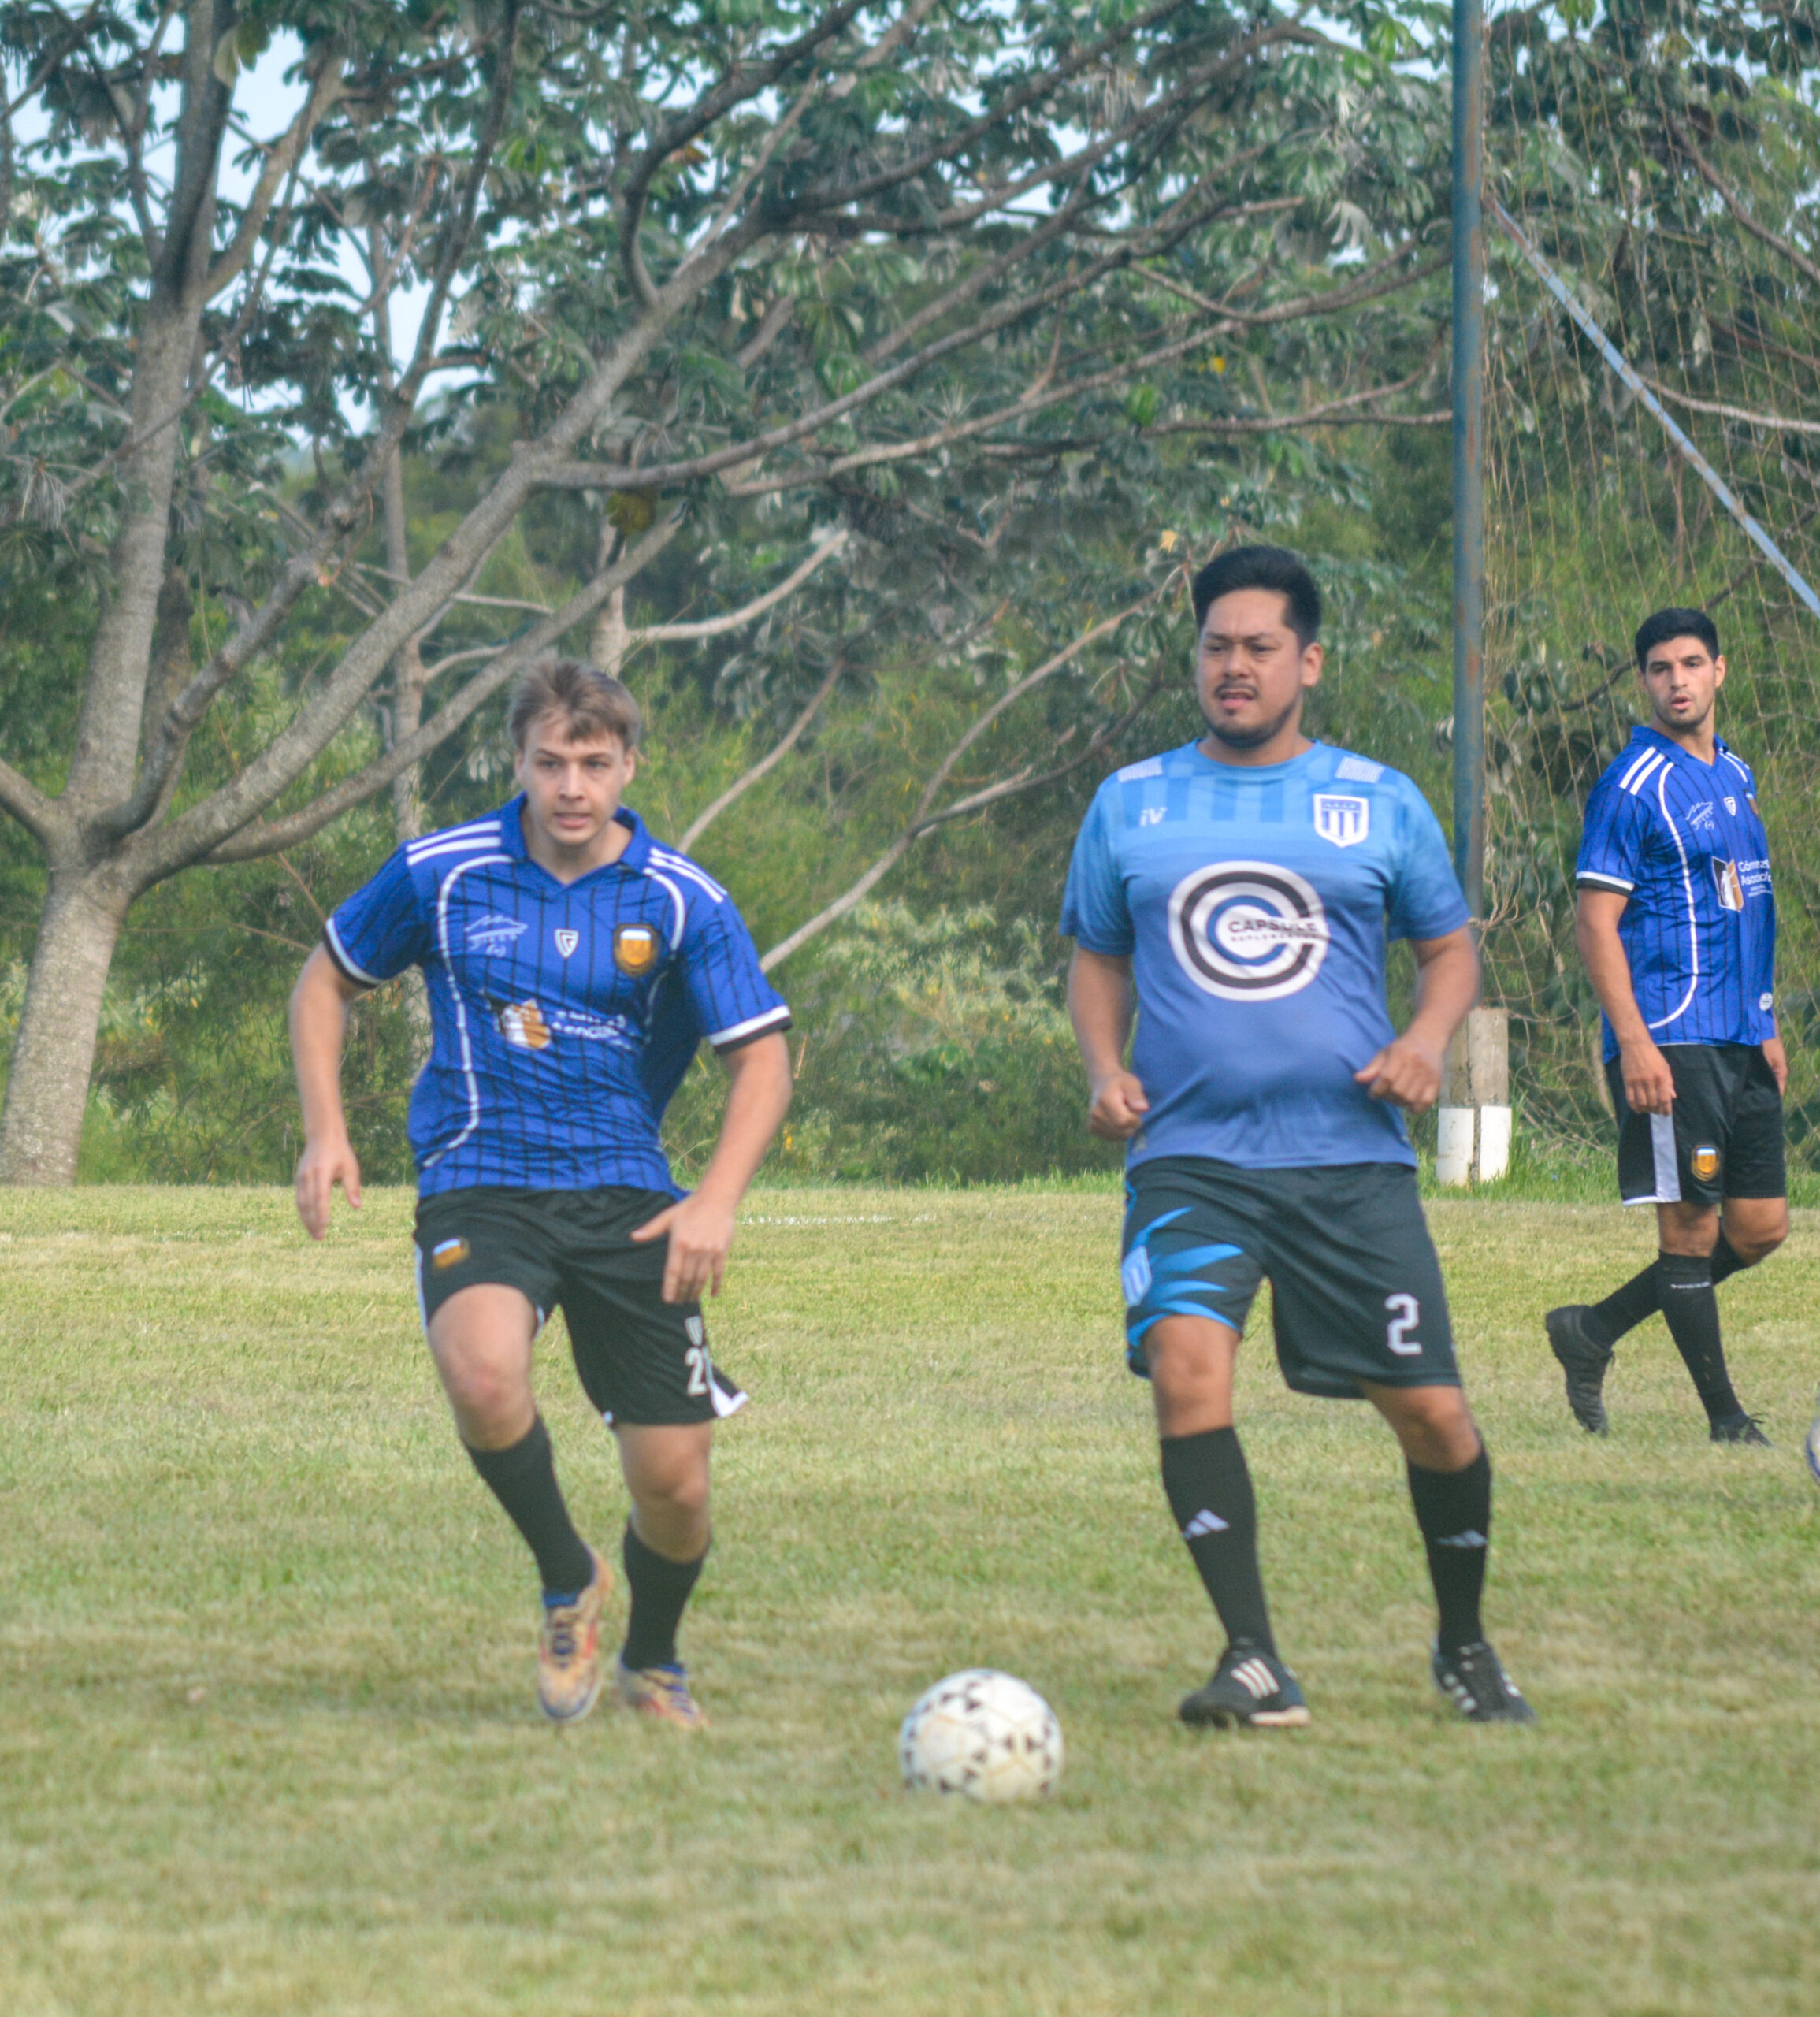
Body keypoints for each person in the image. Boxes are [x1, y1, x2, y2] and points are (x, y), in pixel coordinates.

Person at [1061, 544, 1533, 1728]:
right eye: (1216, 646)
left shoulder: (1379, 799)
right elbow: (1096, 957)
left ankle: (1464, 1645)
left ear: (1308, 662)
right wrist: (1106, 1069)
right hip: (1191, 1158)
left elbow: (1449, 951)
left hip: (1349, 1162)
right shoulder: (1131, 800)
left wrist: (1424, 1040)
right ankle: (1254, 1660)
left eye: (1259, 647)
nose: (1235, 666)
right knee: (1186, 1369)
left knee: (1433, 1416)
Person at [289, 657, 793, 1729]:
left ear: (630, 766)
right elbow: (325, 980)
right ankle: (570, 1578)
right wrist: (326, 1130)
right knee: (481, 1375)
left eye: (594, 763)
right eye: (551, 761)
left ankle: (652, 1660)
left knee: (676, 1486)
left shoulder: (681, 898)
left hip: (629, 1199)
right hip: (481, 1180)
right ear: (514, 760)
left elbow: (761, 1057)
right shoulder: (442, 872)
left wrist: (714, 1200)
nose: (571, 785)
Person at [1546, 608, 1786, 1444]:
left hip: (1740, 1034)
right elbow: (1594, 922)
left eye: (1690, 663)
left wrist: (1767, 1019)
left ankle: (1592, 1329)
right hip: (1671, 1037)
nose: (1676, 681)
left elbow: (1748, 903)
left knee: (1759, 1229)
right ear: (1644, 680)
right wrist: (1635, 1043)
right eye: (1659, 668)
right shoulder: (1631, 785)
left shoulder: (1736, 773)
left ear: (1720, 670)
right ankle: (1728, 1423)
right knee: (1688, 1230)